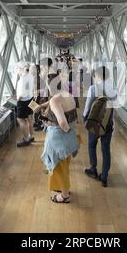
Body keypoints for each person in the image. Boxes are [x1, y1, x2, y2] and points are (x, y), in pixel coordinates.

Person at [40, 71, 79, 203]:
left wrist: (58, 127)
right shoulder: (68, 95)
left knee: (58, 167)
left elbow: (62, 122)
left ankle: (64, 195)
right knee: (64, 165)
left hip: (59, 138)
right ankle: (63, 188)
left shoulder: (54, 100)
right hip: (73, 135)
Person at [82, 66, 117, 187]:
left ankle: (93, 169)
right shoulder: (113, 89)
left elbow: (87, 107)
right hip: (108, 124)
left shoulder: (93, 88)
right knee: (105, 149)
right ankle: (104, 176)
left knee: (92, 145)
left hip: (95, 123)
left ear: (97, 76)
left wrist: (84, 118)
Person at [15, 62, 35, 147]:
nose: (17, 71)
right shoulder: (30, 76)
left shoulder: (22, 79)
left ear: (21, 69)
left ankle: (26, 139)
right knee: (30, 118)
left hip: (23, 101)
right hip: (30, 98)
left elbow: (22, 92)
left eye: (18, 69)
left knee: (20, 119)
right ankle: (31, 136)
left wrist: (18, 98)